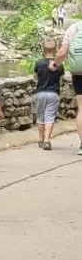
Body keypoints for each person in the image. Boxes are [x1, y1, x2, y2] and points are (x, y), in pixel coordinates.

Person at [55, 10, 82, 153]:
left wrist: (54, 64)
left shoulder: (73, 28)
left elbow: (62, 53)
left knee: (81, 109)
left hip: (79, 73)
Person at [33, 38, 64, 150]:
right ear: (55, 49)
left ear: (43, 50)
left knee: (40, 118)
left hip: (40, 93)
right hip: (53, 93)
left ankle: (41, 140)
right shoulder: (59, 65)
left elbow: (35, 78)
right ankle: (47, 141)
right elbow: (61, 80)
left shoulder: (39, 63)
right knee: (49, 117)